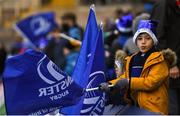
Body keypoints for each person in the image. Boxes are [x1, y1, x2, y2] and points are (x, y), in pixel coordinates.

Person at [100, 20, 177, 114]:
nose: (143, 42)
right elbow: (124, 78)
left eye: (148, 38)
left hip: (153, 109)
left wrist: (128, 82)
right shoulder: (131, 59)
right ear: (136, 41)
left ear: (154, 40)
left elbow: (151, 82)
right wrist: (110, 84)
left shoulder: (160, 60)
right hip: (134, 107)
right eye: (140, 39)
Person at [150, 0, 180, 114]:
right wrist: (171, 63)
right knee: (173, 110)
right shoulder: (163, 5)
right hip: (169, 70)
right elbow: (157, 37)